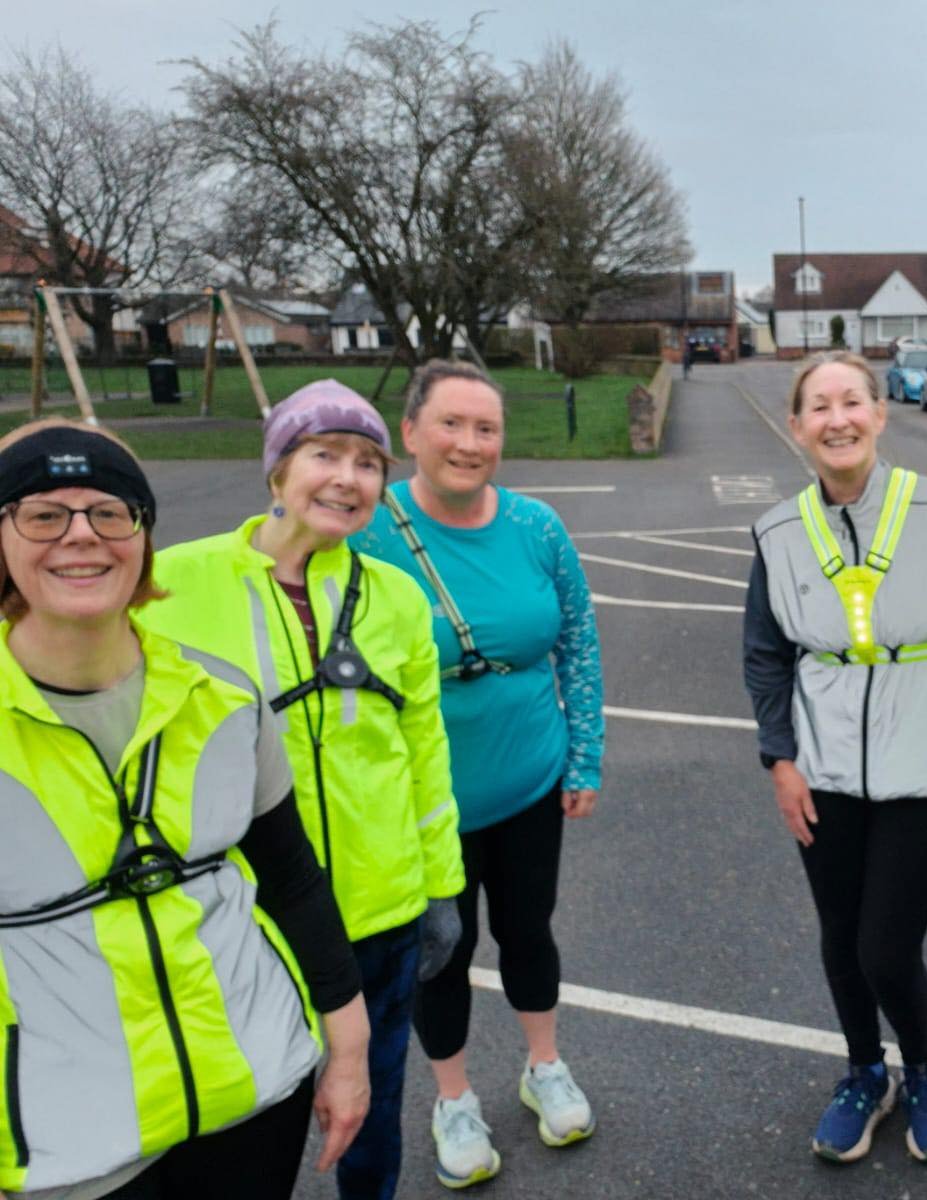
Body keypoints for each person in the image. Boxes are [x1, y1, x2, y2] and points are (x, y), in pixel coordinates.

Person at [0, 421, 370, 1200]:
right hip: (66, 1150)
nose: (81, 537)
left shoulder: (225, 699)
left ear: (142, 538)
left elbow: (294, 885)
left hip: (254, 1098)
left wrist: (347, 1052)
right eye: (42, 514)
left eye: (110, 512)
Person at [140, 381, 465, 1200]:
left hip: (382, 912)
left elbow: (424, 750)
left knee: (372, 1112)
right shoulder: (173, 586)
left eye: (367, 463)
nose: (348, 479)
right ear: (278, 470)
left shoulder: (396, 595)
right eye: (324, 455)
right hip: (246, 924)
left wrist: (440, 889)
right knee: (252, 1131)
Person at [353, 360, 605, 1189]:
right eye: (452, 425)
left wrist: (584, 754)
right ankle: (453, 1098)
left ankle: (544, 1068)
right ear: (411, 433)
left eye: (486, 428)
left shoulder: (536, 527)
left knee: (528, 931)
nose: (470, 443)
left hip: (530, 779)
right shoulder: (366, 533)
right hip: (422, 802)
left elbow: (578, 640)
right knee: (440, 952)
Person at [743, 350, 927, 1165]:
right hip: (821, 776)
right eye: (819, 406)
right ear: (797, 426)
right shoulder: (778, 531)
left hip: (921, 765)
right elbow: (766, 652)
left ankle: (922, 1069)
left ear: (881, 414)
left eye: (853, 401)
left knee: (887, 945)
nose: (837, 419)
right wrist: (780, 759)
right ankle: (864, 1073)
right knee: (839, 935)